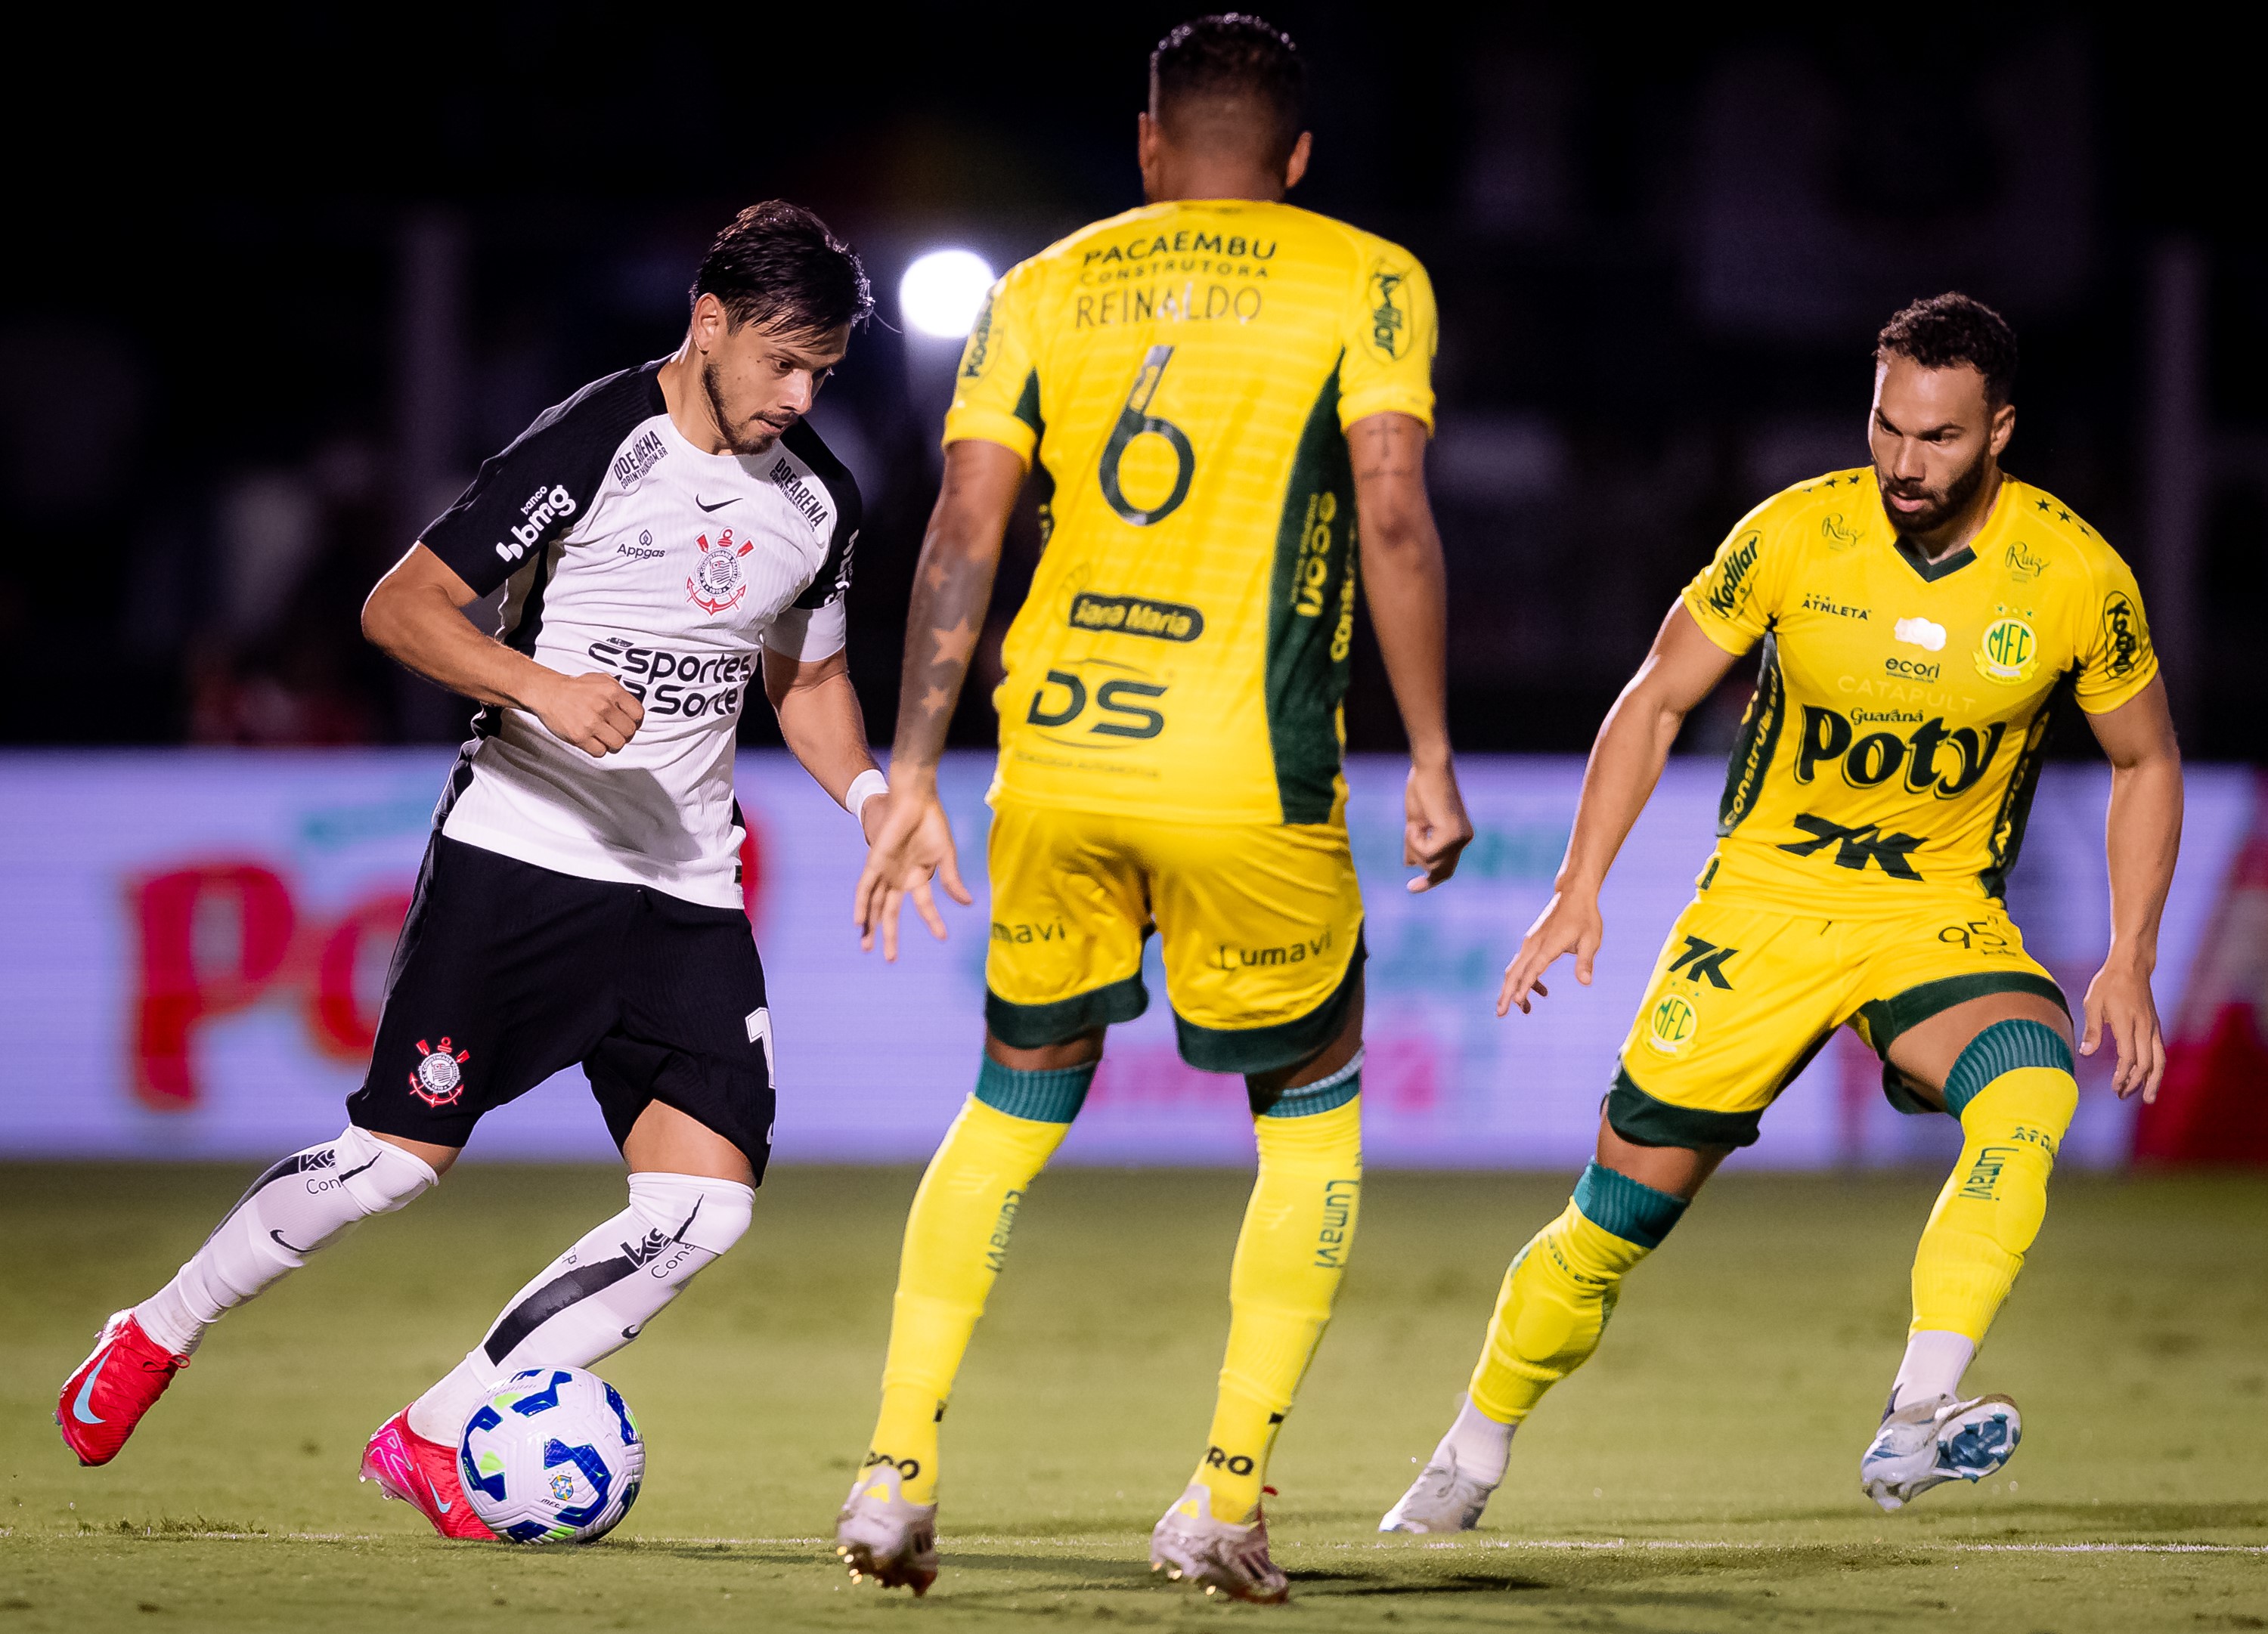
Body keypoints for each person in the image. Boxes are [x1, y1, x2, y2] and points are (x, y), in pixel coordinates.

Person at [57, 202, 891, 1540]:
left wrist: (869, 794)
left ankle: (441, 1426)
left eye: (825, 375)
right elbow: (400, 605)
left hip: (683, 887)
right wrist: (541, 686)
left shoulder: (818, 501)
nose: (800, 397)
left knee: (703, 1209)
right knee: (394, 1162)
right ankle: (156, 1328)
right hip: (524, 854)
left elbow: (815, 678)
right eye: (783, 362)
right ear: (711, 319)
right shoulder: (593, 442)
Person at [834, 13, 1472, 1605]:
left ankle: (893, 1470)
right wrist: (1438, 750)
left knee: (1007, 1111)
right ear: (1300, 158)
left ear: (1145, 144)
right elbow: (1390, 512)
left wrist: (911, 773)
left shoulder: (1040, 288)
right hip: (1248, 770)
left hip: (1055, 759)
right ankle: (1223, 1496)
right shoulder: (1371, 278)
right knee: (1312, 1118)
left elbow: (962, 535)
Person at [1380, 292, 2183, 1533]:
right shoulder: (1794, 536)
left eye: (1941, 439)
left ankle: (1917, 1416)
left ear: (2001, 430)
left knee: (2030, 1090)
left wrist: (2129, 955)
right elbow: (1653, 700)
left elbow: (2145, 761)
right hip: (1761, 911)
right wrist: (1577, 886)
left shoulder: (2078, 576)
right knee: (1612, 1225)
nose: (1905, 464)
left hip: (1933, 918)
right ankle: (1469, 1455)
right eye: (1887, 427)